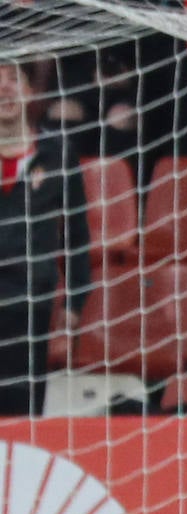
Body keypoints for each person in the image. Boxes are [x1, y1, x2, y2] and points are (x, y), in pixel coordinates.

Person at [0, 58, 90, 415]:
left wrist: (75, 301)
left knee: (24, 409)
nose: (5, 88)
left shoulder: (57, 153)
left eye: (13, 79)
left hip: (31, 300)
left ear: (29, 91)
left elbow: (77, 234)